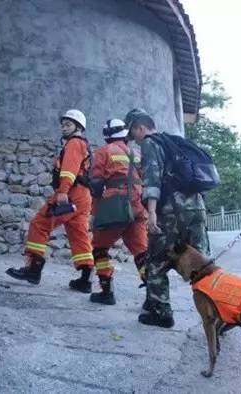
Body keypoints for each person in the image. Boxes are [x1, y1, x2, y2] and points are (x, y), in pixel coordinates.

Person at [125, 108, 209, 328]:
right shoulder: (174, 141)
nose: (134, 139)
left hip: (171, 211)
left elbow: (152, 179)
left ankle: (161, 313)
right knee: (203, 264)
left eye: (133, 134)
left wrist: (151, 212)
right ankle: (220, 313)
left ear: (140, 128)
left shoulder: (150, 144)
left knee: (156, 262)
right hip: (196, 208)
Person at [6, 110, 94, 290]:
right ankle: (85, 280)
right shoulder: (83, 145)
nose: (64, 128)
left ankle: (33, 269)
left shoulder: (74, 143)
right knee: (79, 234)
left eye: (68, 124)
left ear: (78, 127)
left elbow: (69, 170)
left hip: (70, 193)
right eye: (63, 124)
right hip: (84, 196)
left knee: (39, 224)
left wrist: (63, 191)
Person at [88, 118, 148, 305]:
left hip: (116, 206)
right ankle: (155, 296)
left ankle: (106, 291)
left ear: (106, 136)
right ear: (125, 135)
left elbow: (96, 186)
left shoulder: (104, 151)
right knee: (141, 252)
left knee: (99, 248)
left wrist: (94, 214)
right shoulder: (136, 153)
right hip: (138, 206)